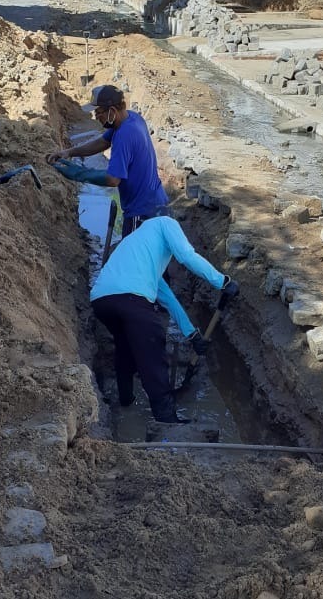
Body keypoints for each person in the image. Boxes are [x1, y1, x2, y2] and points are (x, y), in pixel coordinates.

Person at [90, 216, 239, 423]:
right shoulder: (165, 223)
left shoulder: (139, 249)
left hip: (101, 301)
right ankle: (166, 418)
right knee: (152, 351)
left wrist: (192, 334)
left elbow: (168, 298)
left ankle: (125, 400)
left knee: (125, 347)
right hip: (131, 298)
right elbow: (187, 256)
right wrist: (223, 281)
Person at [48, 84, 170, 235]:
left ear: (112, 111)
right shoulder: (131, 118)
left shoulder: (124, 136)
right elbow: (102, 142)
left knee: (132, 250)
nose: (96, 117)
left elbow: (113, 179)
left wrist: (78, 174)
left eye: (99, 113)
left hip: (142, 214)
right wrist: (69, 152)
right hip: (156, 202)